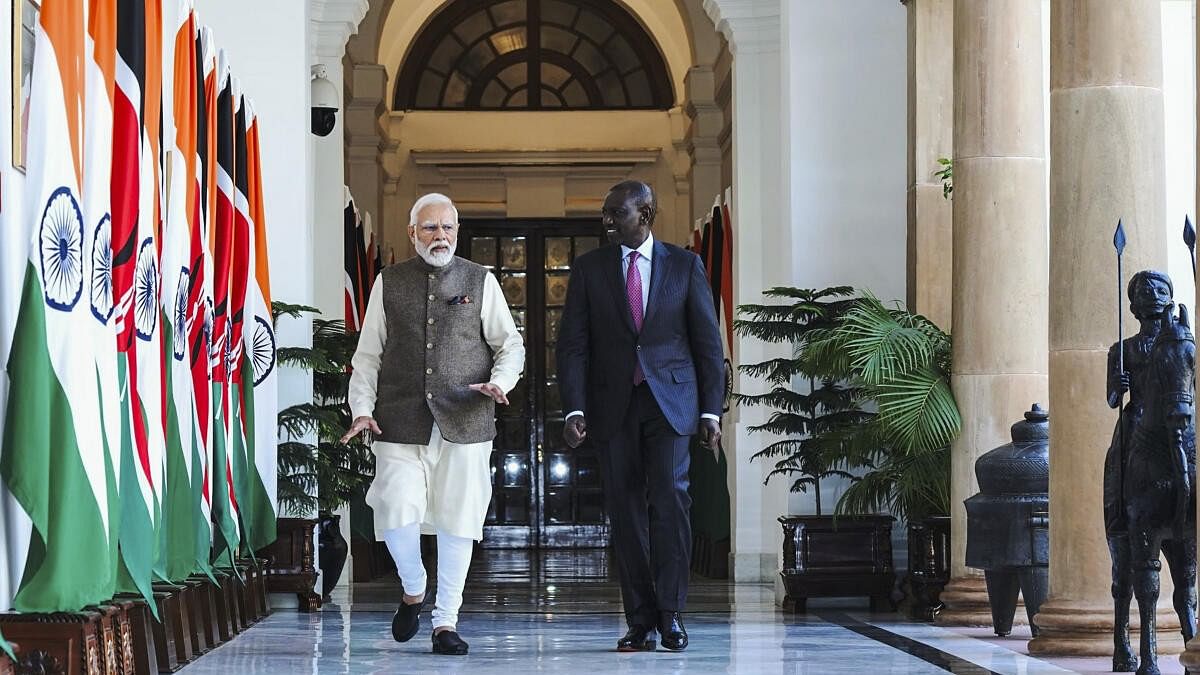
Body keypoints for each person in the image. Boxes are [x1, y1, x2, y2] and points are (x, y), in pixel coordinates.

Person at [343, 192, 524, 656]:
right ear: (412, 233)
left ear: (457, 232)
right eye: (429, 227)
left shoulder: (480, 280)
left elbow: (511, 346)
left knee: (458, 521)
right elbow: (368, 357)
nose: (439, 235)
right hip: (398, 420)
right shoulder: (389, 282)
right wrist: (361, 408)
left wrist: (501, 382)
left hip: (466, 420)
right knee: (395, 512)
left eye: (447, 227)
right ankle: (414, 585)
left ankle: (445, 621)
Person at [556, 180, 724, 652]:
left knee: (670, 500)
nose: (607, 221)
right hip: (612, 407)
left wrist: (711, 411)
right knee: (626, 514)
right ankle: (640, 620)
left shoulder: (685, 265)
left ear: (646, 215)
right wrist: (574, 407)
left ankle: (671, 614)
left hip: (670, 404)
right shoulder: (590, 269)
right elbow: (573, 345)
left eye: (617, 213)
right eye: (606, 213)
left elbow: (708, 345)